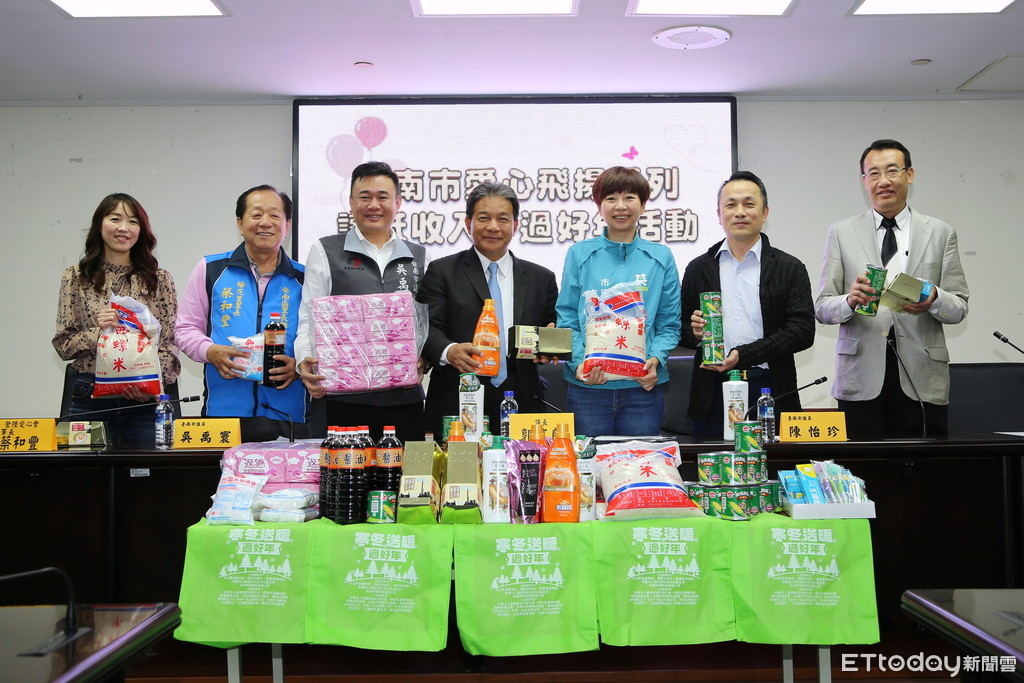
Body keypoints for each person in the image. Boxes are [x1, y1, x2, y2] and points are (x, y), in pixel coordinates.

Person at [815, 139, 969, 440]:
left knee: (923, 466)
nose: (883, 181)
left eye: (892, 171)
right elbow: (822, 307)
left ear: (909, 174)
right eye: (873, 173)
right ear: (864, 181)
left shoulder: (940, 232)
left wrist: (935, 298)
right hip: (860, 377)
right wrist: (850, 301)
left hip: (922, 377)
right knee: (861, 467)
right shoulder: (841, 232)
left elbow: (960, 307)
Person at [296, 161, 427, 443]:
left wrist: (424, 358)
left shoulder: (418, 255)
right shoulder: (326, 249)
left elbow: (425, 322)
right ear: (351, 202)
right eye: (364, 197)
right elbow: (308, 315)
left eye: (383, 197)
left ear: (398, 202)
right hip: (344, 398)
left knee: (405, 470)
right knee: (345, 471)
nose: (373, 205)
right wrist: (303, 360)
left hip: (404, 399)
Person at [679, 171, 815, 438]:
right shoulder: (698, 268)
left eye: (749, 204)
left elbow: (802, 330)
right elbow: (680, 327)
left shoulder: (790, 268)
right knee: (712, 463)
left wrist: (744, 355)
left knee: (773, 463)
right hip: (711, 392)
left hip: (770, 389)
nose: (740, 212)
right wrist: (694, 333)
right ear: (719, 215)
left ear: (765, 213)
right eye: (731, 205)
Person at [417, 182, 558, 438]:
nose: (493, 227)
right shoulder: (442, 271)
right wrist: (449, 351)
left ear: (515, 225)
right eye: (483, 218)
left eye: (503, 219)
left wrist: (550, 347)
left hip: (522, 399)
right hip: (459, 398)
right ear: (468, 223)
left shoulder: (542, 278)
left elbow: (551, 328)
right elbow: (426, 327)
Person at [175, 185, 308, 442]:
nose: (265, 223)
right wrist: (210, 351)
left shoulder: (305, 278)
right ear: (240, 223)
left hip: (289, 414)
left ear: (287, 224)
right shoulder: (211, 269)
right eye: (256, 215)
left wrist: (300, 367)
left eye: (275, 215)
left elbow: (321, 338)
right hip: (224, 415)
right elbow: (185, 329)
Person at [555, 166, 681, 437]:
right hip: (589, 389)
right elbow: (566, 318)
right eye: (611, 198)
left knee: (640, 461)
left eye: (629, 198)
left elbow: (669, 324)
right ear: (599, 206)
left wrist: (656, 360)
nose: (620, 206)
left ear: (643, 205)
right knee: (590, 462)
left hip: (642, 389)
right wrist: (579, 364)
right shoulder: (579, 254)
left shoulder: (661, 257)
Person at [53, 193, 181, 450]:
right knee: (84, 473)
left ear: (141, 231)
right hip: (89, 399)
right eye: (115, 219)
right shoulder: (76, 277)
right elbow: (64, 345)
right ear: (99, 225)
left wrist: (150, 385)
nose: (124, 228)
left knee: (146, 473)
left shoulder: (159, 279)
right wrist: (99, 333)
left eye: (133, 221)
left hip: (145, 402)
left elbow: (170, 343)